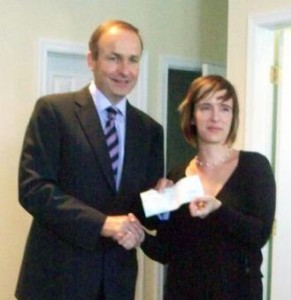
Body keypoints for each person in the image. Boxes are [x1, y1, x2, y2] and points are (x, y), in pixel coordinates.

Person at [16, 20, 164, 300]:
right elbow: (33, 189)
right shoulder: (53, 111)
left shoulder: (150, 131)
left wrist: (163, 201)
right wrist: (101, 223)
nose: (125, 70)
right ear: (91, 60)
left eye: (133, 60)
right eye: (114, 58)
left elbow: (142, 212)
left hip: (116, 284)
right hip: (55, 281)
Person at [141, 75, 276, 300]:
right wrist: (141, 238)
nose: (216, 117)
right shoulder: (176, 175)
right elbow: (167, 251)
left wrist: (218, 209)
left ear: (233, 117)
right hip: (183, 293)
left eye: (225, 109)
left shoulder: (255, 167)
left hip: (239, 293)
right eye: (205, 107)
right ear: (192, 116)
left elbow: (259, 234)